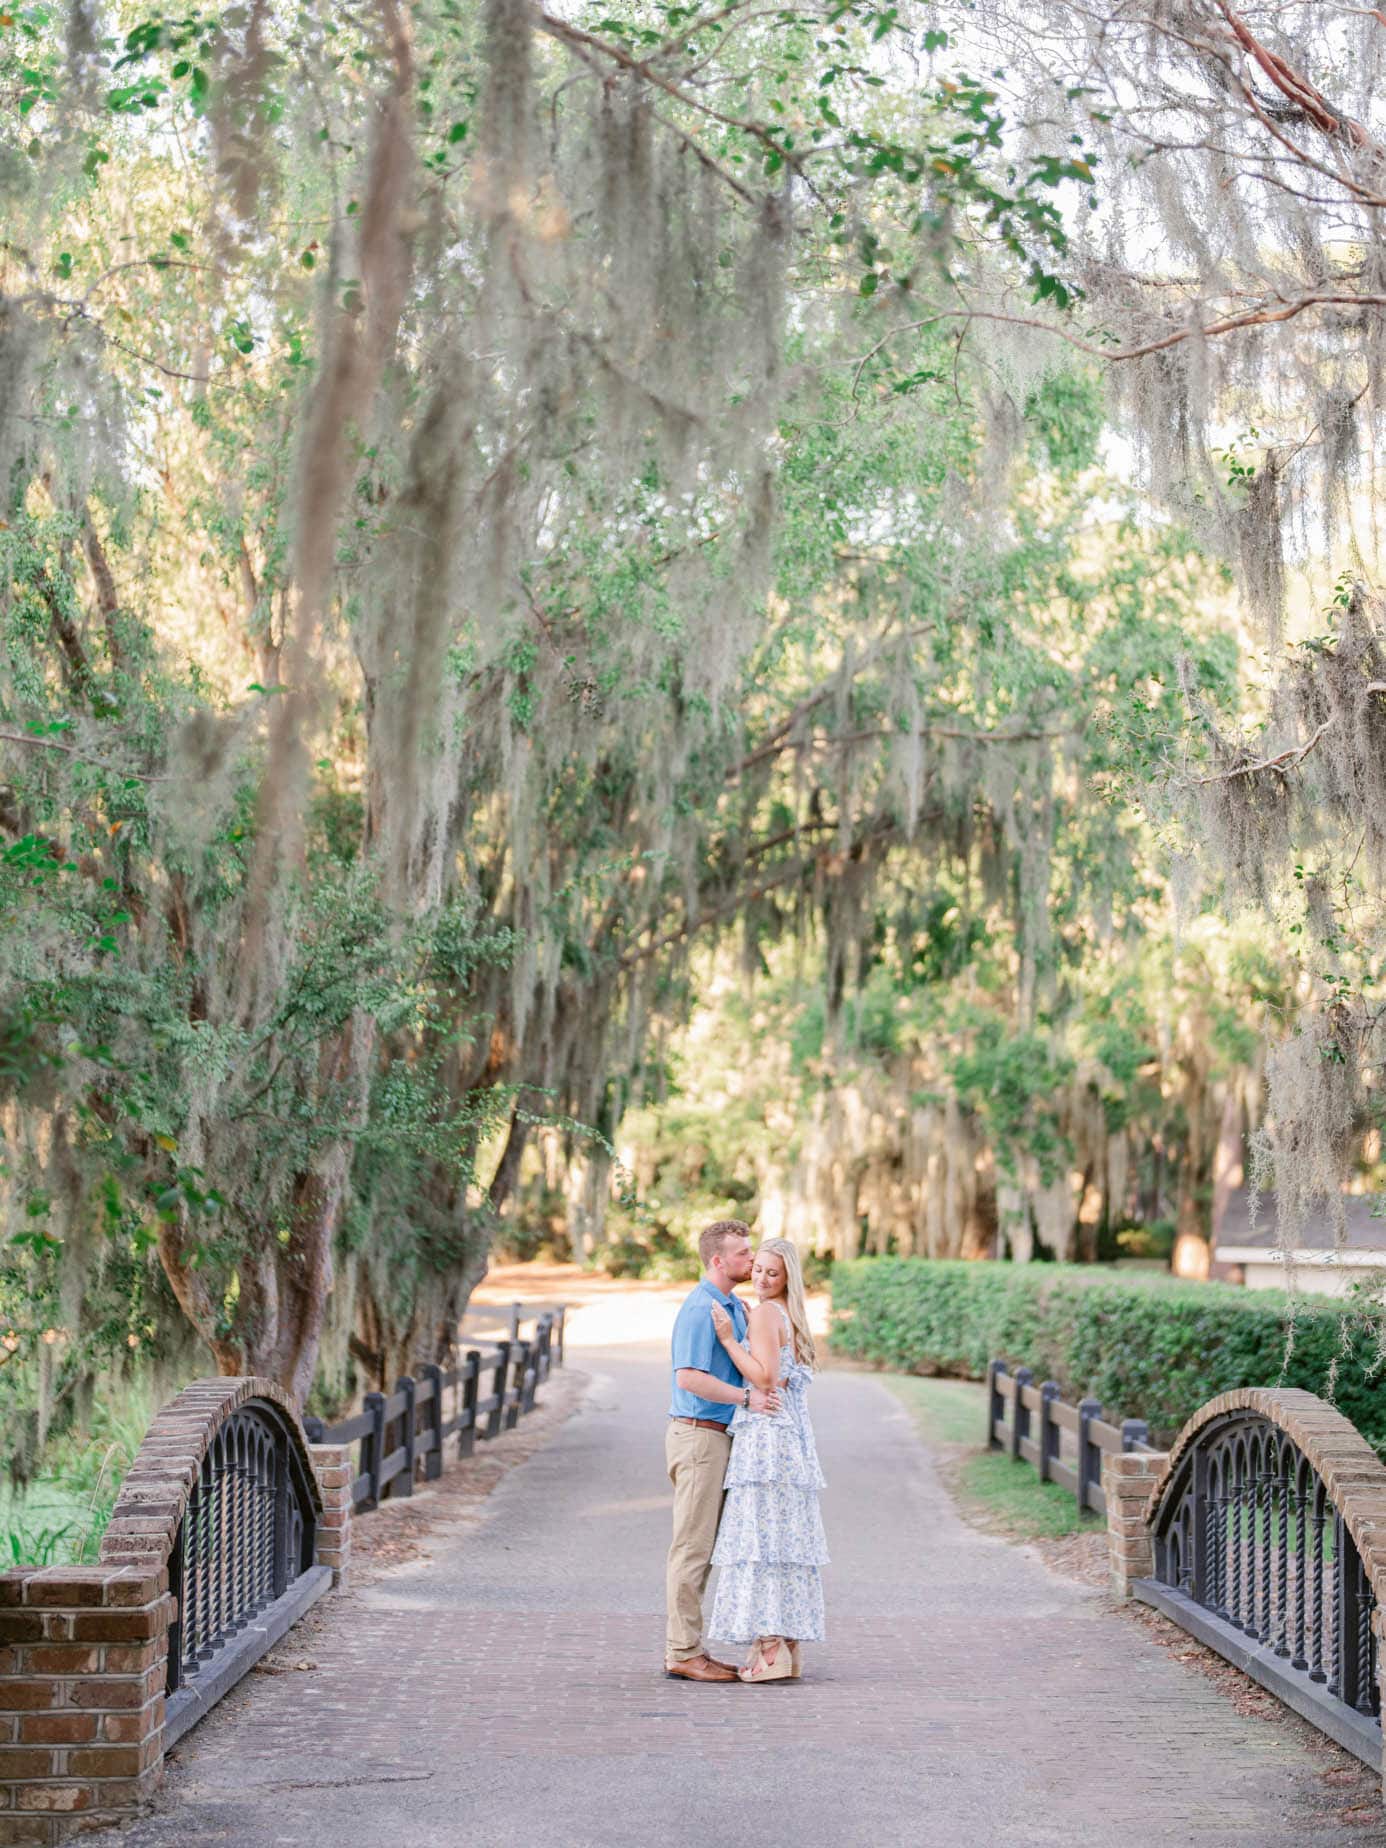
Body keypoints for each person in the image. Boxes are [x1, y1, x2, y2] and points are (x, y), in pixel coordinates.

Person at [665, 1219, 782, 1682]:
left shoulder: (731, 1305)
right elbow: (688, 1377)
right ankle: (682, 1651)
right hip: (698, 1437)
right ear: (717, 1260)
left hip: (718, 1438)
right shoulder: (700, 1309)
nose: (751, 1260)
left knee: (707, 1548)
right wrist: (746, 1398)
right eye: (742, 1254)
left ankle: (692, 1647)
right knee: (692, 1548)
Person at [707, 1237, 827, 1683]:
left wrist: (726, 1340)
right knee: (781, 1539)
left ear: (788, 1279)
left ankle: (771, 1648)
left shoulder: (763, 1314)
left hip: (767, 1441)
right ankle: (785, 1648)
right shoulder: (790, 1316)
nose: (760, 1278)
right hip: (791, 1439)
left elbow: (766, 1377)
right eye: (757, 1268)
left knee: (762, 1541)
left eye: (772, 1273)